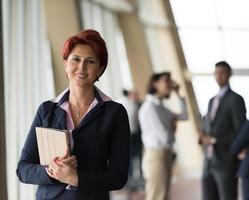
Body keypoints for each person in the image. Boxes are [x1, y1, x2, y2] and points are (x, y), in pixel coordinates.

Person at [16, 29, 131, 200]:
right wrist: (51, 171)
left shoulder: (114, 113)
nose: (81, 67)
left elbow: (118, 176)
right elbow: (23, 169)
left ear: (100, 69)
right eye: (75, 59)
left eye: (90, 61)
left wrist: (75, 178)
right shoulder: (46, 110)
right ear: (65, 64)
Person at [199, 61, 246, 200]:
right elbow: (209, 126)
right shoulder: (211, 100)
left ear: (229, 74)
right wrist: (202, 135)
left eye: (222, 72)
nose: (218, 76)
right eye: (216, 72)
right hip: (208, 161)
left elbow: (240, 132)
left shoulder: (236, 99)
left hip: (225, 163)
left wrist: (215, 140)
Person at [139, 72, 188, 200]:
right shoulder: (149, 107)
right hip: (156, 156)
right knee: (157, 196)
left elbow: (184, 116)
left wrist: (178, 94)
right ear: (155, 84)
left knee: (164, 196)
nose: (170, 85)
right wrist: (172, 128)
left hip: (165, 154)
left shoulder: (160, 107)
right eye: (167, 81)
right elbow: (165, 136)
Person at [119, 89, 142, 181]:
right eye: (135, 94)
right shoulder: (132, 105)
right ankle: (134, 179)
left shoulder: (119, 103)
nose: (137, 97)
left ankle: (130, 179)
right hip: (132, 135)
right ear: (130, 94)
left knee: (129, 158)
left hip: (126, 135)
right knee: (135, 157)